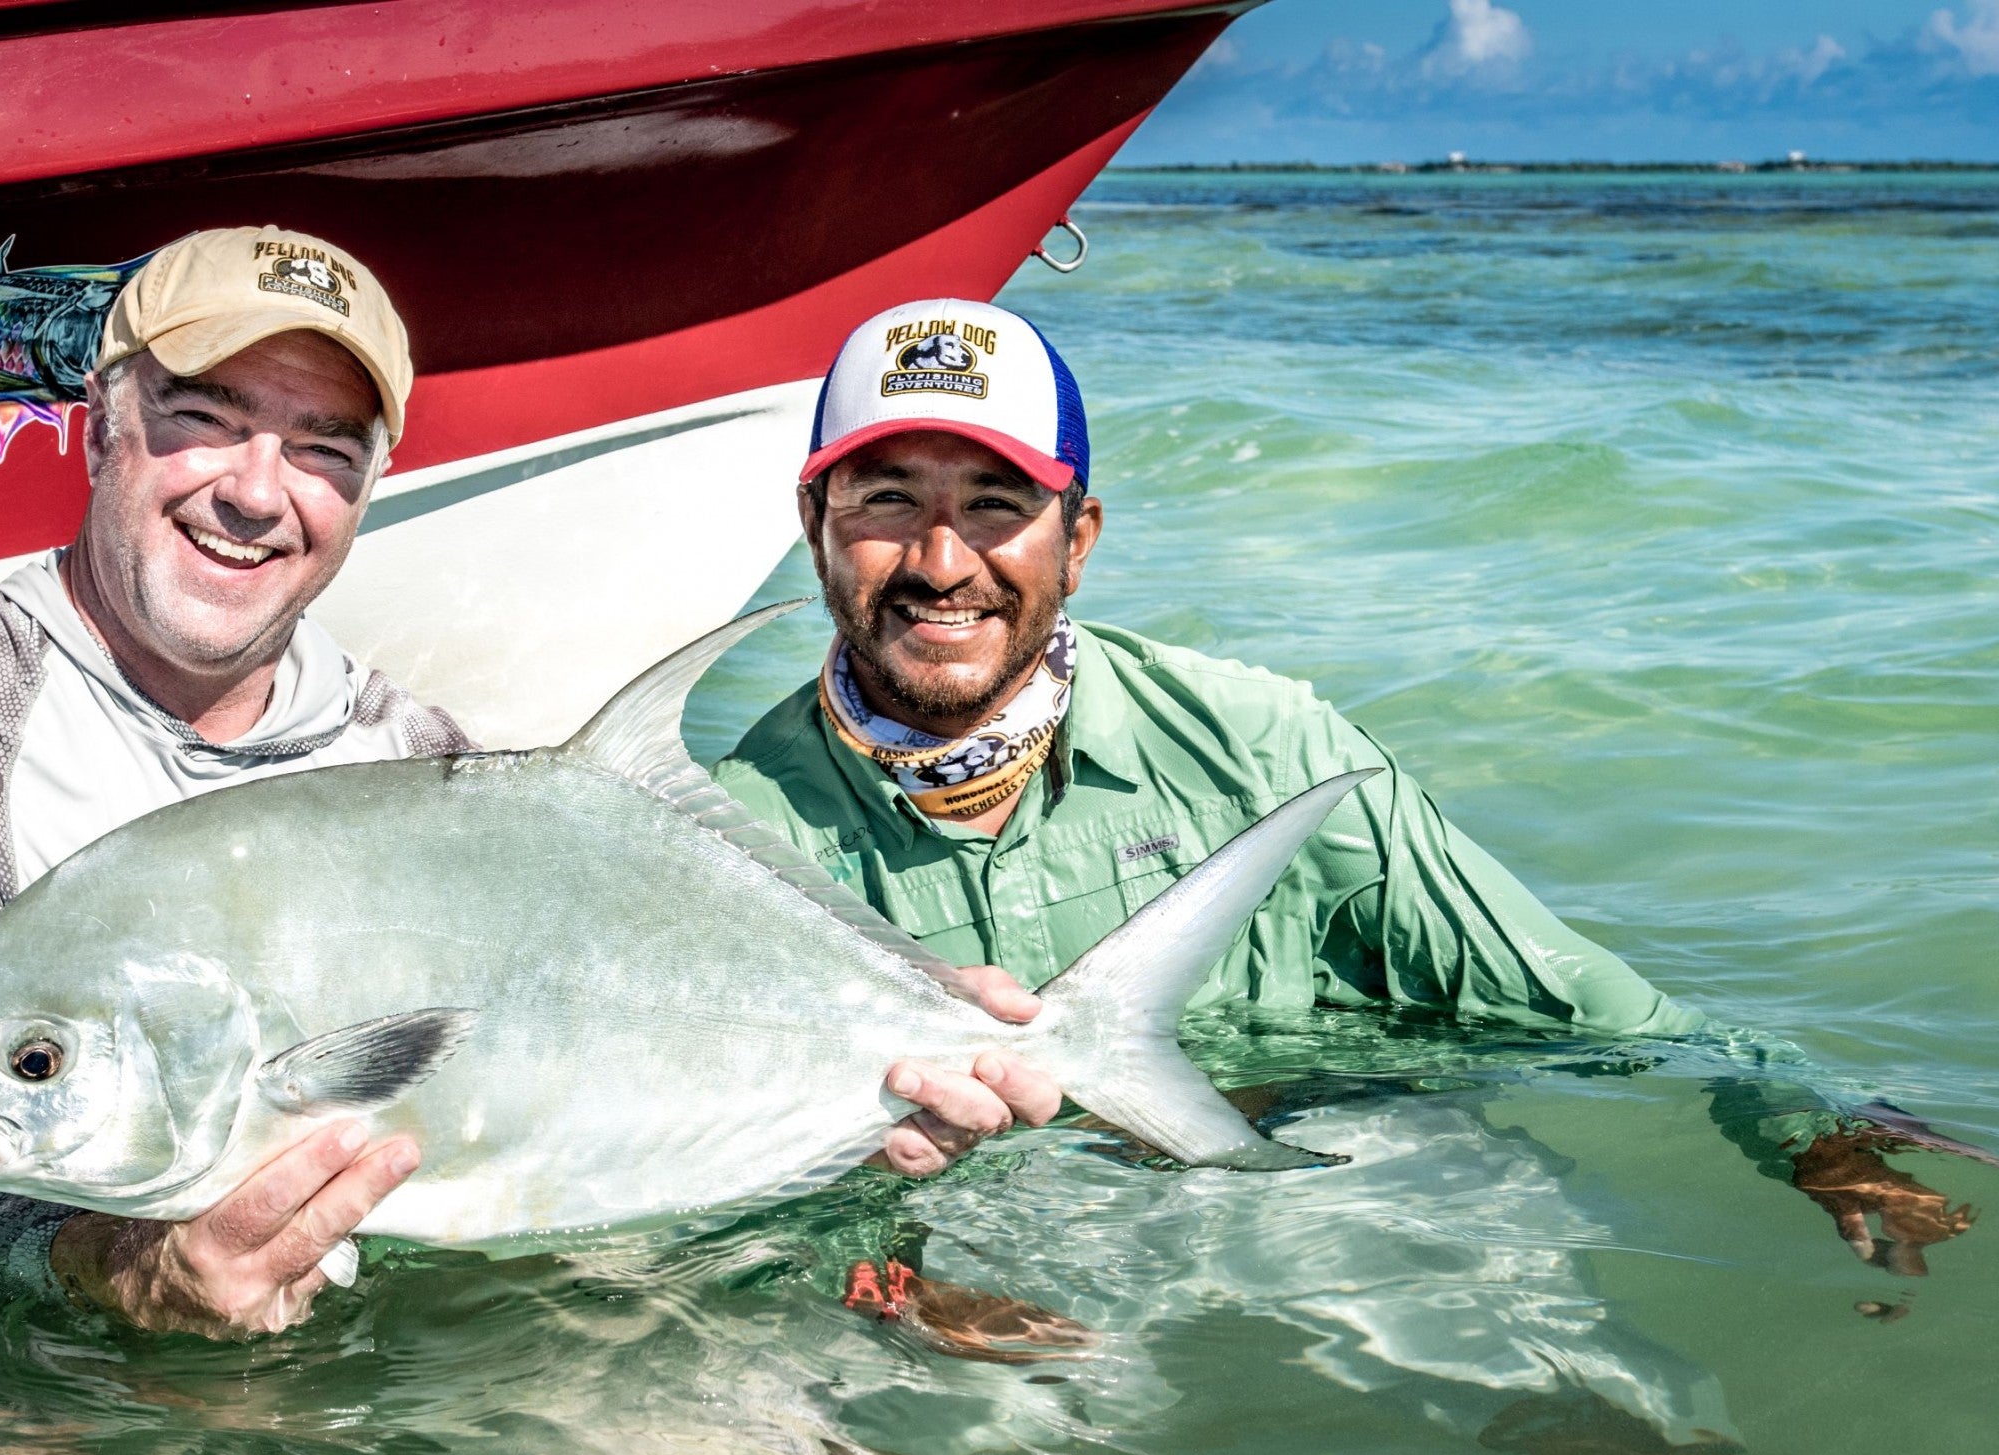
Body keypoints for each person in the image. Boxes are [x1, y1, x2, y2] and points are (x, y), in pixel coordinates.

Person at [0, 232, 1043, 1339]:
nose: (254, 491)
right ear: (98, 425)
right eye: (203, 420)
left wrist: (859, 1092)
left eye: (321, 448)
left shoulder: (419, 764)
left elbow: (576, 1093)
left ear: (369, 484)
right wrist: (118, 1271)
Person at [708, 297, 1973, 1265]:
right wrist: (878, 1269)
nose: (940, 561)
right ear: (815, 521)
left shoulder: (1267, 751)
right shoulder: (721, 839)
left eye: (995, 504)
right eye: (885, 500)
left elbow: (1566, 996)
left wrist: (1811, 1133)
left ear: (1076, 541)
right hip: (998, 1245)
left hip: (1326, 1162)